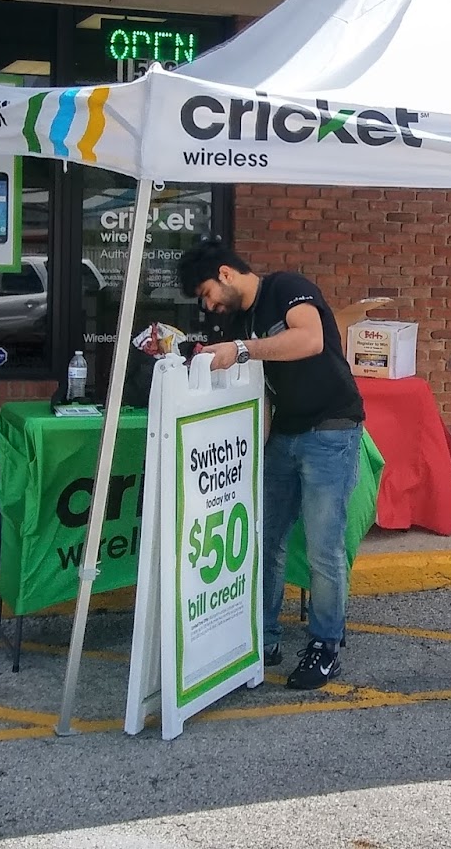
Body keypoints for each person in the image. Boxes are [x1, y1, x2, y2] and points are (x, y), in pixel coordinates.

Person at [177, 239, 365, 692]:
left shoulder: (286, 287)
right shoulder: (239, 322)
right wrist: (253, 448)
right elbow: (259, 391)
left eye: (206, 294)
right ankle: (262, 638)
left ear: (225, 273)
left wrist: (242, 349)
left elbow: (310, 339)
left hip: (332, 430)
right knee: (264, 540)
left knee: (323, 549)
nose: (209, 306)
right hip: (284, 434)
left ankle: (325, 646)